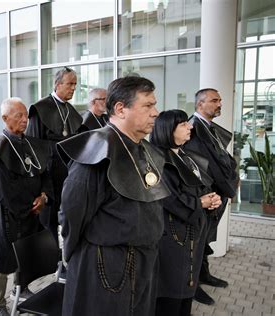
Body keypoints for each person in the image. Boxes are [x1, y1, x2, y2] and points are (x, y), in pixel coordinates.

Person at [57, 76, 170, 315]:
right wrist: (72, 256)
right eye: (148, 105)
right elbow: (72, 214)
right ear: (120, 108)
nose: (156, 112)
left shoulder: (145, 149)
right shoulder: (96, 151)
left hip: (144, 259)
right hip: (107, 266)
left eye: (154, 105)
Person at [0, 97, 53, 316]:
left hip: (32, 211)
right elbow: (3, 191)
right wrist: (30, 206)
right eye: (18, 115)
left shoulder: (31, 144)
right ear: (5, 118)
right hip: (8, 215)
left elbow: (45, 174)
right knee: (2, 260)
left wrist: (44, 197)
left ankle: (20, 290)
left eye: (25, 115)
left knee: (25, 253)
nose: (25, 120)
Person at [150, 109, 222, 316]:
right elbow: (166, 197)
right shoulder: (156, 159)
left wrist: (212, 198)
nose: (190, 126)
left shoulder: (184, 155)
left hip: (192, 231)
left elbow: (201, 186)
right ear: (167, 130)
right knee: (170, 293)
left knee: (185, 293)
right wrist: (200, 203)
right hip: (172, 235)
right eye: (183, 124)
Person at [183, 88, 238, 305]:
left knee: (206, 238)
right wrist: (228, 188)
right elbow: (207, 166)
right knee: (197, 242)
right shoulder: (193, 129)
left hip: (217, 192)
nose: (219, 103)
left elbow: (223, 158)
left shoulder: (209, 127)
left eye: (220, 100)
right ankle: (192, 286)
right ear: (200, 105)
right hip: (206, 195)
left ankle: (204, 275)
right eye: (214, 100)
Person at [26, 67, 81, 251]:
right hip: (47, 175)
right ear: (58, 84)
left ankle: (66, 258)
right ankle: (51, 262)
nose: (73, 88)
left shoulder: (72, 112)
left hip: (68, 175)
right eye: (70, 84)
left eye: (75, 84)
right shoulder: (40, 109)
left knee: (68, 217)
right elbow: (32, 147)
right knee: (48, 222)